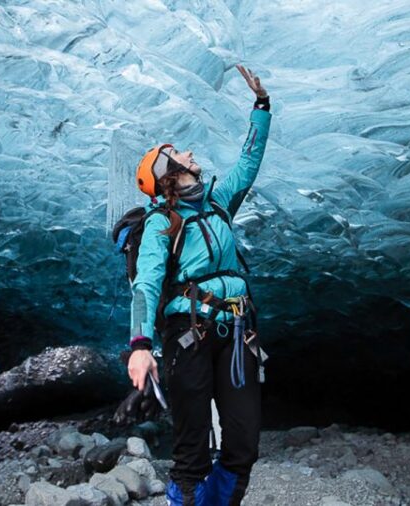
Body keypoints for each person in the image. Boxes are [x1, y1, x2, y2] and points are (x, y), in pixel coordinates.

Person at [126, 64, 272, 505]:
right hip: (188, 336)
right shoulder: (160, 222)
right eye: (178, 154)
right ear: (167, 174)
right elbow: (146, 285)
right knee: (192, 454)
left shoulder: (218, 201)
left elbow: (248, 163)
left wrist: (261, 106)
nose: (189, 153)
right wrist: (139, 345)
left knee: (243, 445)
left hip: (237, 332)